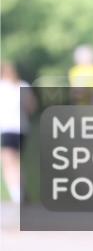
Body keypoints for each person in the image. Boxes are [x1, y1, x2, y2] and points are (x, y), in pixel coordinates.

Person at [0, 61, 37, 204]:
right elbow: (31, 107)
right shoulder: (23, 85)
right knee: (17, 162)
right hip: (22, 128)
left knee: (8, 162)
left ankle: (17, 195)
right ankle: (21, 192)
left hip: (7, 128)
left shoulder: (2, 86)